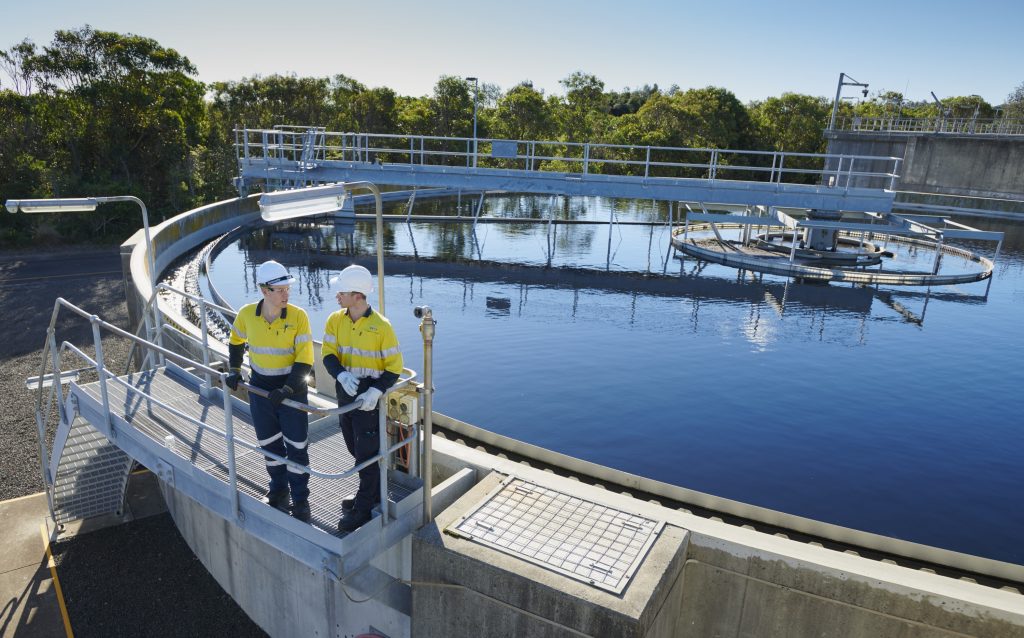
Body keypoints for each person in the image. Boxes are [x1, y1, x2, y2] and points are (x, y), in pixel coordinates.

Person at [225, 260, 314, 523]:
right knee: (270, 445)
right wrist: (234, 369)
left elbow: (305, 359)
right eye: (280, 290)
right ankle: (278, 492)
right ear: (264, 291)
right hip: (260, 390)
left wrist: (288, 388)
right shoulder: (246, 314)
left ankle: (301, 501)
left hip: (292, 389)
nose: (287, 294)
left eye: (288, 288)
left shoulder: (298, 316)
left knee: (297, 447)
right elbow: (236, 341)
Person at [322, 265, 403, 532]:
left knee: (367, 454)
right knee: (353, 447)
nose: (337, 296)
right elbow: (328, 353)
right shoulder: (336, 319)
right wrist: (341, 374)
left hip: (369, 395)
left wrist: (377, 391)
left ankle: (364, 506)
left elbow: (394, 367)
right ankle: (368, 494)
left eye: (342, 292)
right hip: (345, 390)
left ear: (357, 296)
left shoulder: (381, 327)